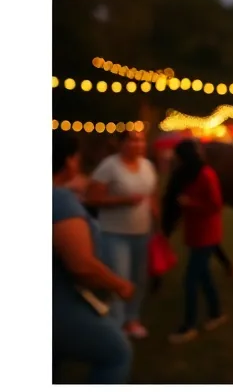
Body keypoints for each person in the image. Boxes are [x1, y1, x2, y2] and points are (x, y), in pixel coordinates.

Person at [53, 131, 134, 383]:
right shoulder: (58, 201)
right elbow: (82, 266)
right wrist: (119, 284)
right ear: (68, 161)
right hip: (59, 304)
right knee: (116, 353)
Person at [86, 130, 158, 339]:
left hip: (142, 232)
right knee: (119, 278)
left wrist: (157, 222)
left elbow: (152, 196)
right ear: (121, 144)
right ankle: (116, 325)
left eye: (141, 140)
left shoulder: (147, 166)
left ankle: (132, 319)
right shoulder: (110, 166)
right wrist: (121, 201)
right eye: (132, 140)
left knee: (138, 278)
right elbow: (92, 198)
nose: (137, 144)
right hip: (115, 233)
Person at [162, 139, 226, 343]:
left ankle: (189, 325)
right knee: (204, 276)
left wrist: (191, 204)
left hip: (207, 234)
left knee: (190, 280)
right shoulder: (187, 175)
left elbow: (215, 205)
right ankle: (216, 313)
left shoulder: (206, 174)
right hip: (196, 233)